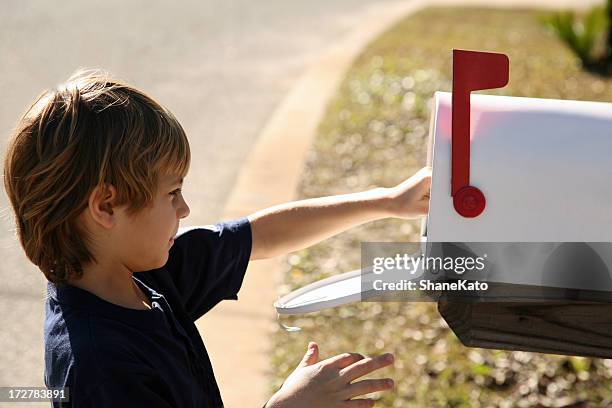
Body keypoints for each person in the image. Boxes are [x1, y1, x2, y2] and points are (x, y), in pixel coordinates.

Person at [2, 69, 431, 407]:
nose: (185, 210)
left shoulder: (140, 276)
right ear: (106, 206)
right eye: (172, 194)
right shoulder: (101, 366)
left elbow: (260, 235)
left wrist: (388, 201)